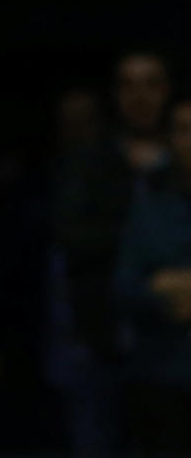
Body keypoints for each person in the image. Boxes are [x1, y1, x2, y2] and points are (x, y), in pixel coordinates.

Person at [46, 49, 173, 456]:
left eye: (152, 83)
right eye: (128, 84)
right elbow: (66, 233)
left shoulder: (181, 159)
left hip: (170, 343)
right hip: (98, 336)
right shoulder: (87, 161)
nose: (140, 96)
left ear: (168, 90)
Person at [113, 90, 191, 456]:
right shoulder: (149, 203)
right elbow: (124, 286)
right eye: (182, 129)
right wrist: (160, 294)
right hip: (160, 381)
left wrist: (172, 282)